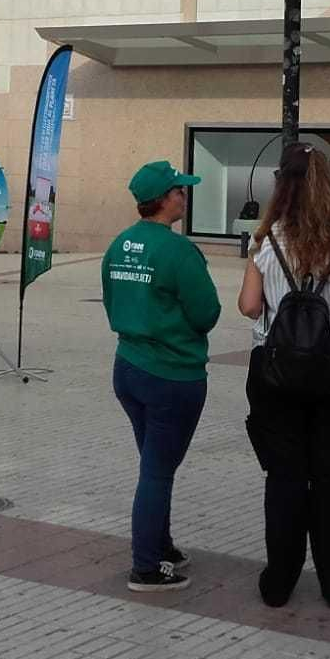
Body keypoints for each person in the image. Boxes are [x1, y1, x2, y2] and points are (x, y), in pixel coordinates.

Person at [239, 143, 330, 610]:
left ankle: (278, 583)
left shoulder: (266, 239)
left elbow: (249, 307)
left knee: (284, 477)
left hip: (276, 373)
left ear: (281, 185)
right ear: (327, 184)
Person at [101, 160, 220, 593]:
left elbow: (112, 303)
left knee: (156, 465)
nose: (184, 197)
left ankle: (162, 545)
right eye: (179, 191)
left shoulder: (119, 245)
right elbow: (207, 312)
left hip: (128, 368)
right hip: (172, 375)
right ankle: (146, 567)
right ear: (164, 199)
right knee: (157, 471)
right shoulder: (177, 251)